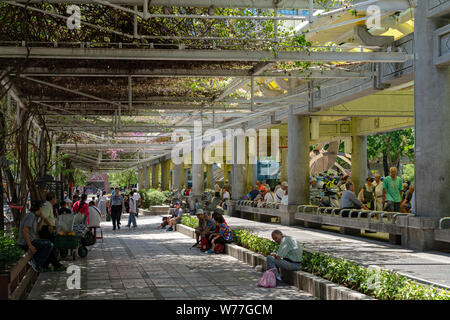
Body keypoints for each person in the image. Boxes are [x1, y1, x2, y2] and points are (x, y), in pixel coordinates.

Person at [18, 200, 66, 273]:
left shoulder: (35, 216)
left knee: (48, 244)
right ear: (39, 208)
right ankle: (36, 264)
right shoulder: (31, 215)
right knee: (49, 245)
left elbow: (37, 229)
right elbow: (25, 231)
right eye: (41, 208)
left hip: (32, 241)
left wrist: (42, 219)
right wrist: (30, 246)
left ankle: (41, 264)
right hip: (26, 243)